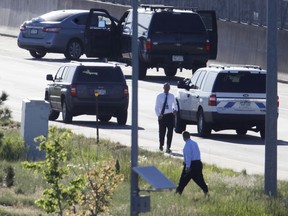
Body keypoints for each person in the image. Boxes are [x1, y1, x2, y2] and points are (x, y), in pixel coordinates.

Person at [176, 131, 209, 196]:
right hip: (198, 163)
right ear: (189, 136)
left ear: (183, 137)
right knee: (199, 179)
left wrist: (187, 166)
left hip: (191, 165)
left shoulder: (187, 146)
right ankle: (206, 190)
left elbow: (188, 156)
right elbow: (197, 153)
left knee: (183, 180)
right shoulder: (194, 143)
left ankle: (178, 192)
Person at [155, 82, 177, 153]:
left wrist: (175, 110)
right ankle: (161, 145)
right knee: (162, 132)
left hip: (170, 115)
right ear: (163, 88)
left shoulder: (172, 96)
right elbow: (156, 107)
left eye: (168, 87)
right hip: (162, 116)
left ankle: (168, 147)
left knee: (170, 132)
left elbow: (175, 105)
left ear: (169, 88)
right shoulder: (159, 96)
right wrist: (159, 115)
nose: (167, 89)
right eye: (166, 87)